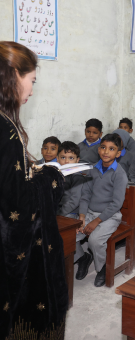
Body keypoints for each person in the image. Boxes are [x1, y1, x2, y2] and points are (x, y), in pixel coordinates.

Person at [0, 41, 67, 338]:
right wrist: (50, 177)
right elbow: (19, 208)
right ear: (14, 74)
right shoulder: (7, 130)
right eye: (32, 81)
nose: (31, 90)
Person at [76, 133, 128, 287]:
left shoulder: (120, 174)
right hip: (90, 213)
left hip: (110, 216)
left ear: (118, 153)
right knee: (70, 235)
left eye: (111, 149)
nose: (106, 152)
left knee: (95, 240)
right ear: (99, 149)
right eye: (103, 147)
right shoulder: (93, 170)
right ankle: (83, 258)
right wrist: (82, 216)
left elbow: (116, 204)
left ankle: (102, 268)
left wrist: (96, 222)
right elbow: (85, 195)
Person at [56, 141, 86, 219]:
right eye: (63, 157)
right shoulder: (56, 174)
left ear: (77, 160)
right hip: (57, 209)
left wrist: (59, 213)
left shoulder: (77, 177)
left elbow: (74, 201)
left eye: (71, 158)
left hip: (70, 212)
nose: (66, 161)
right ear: (57, 159)